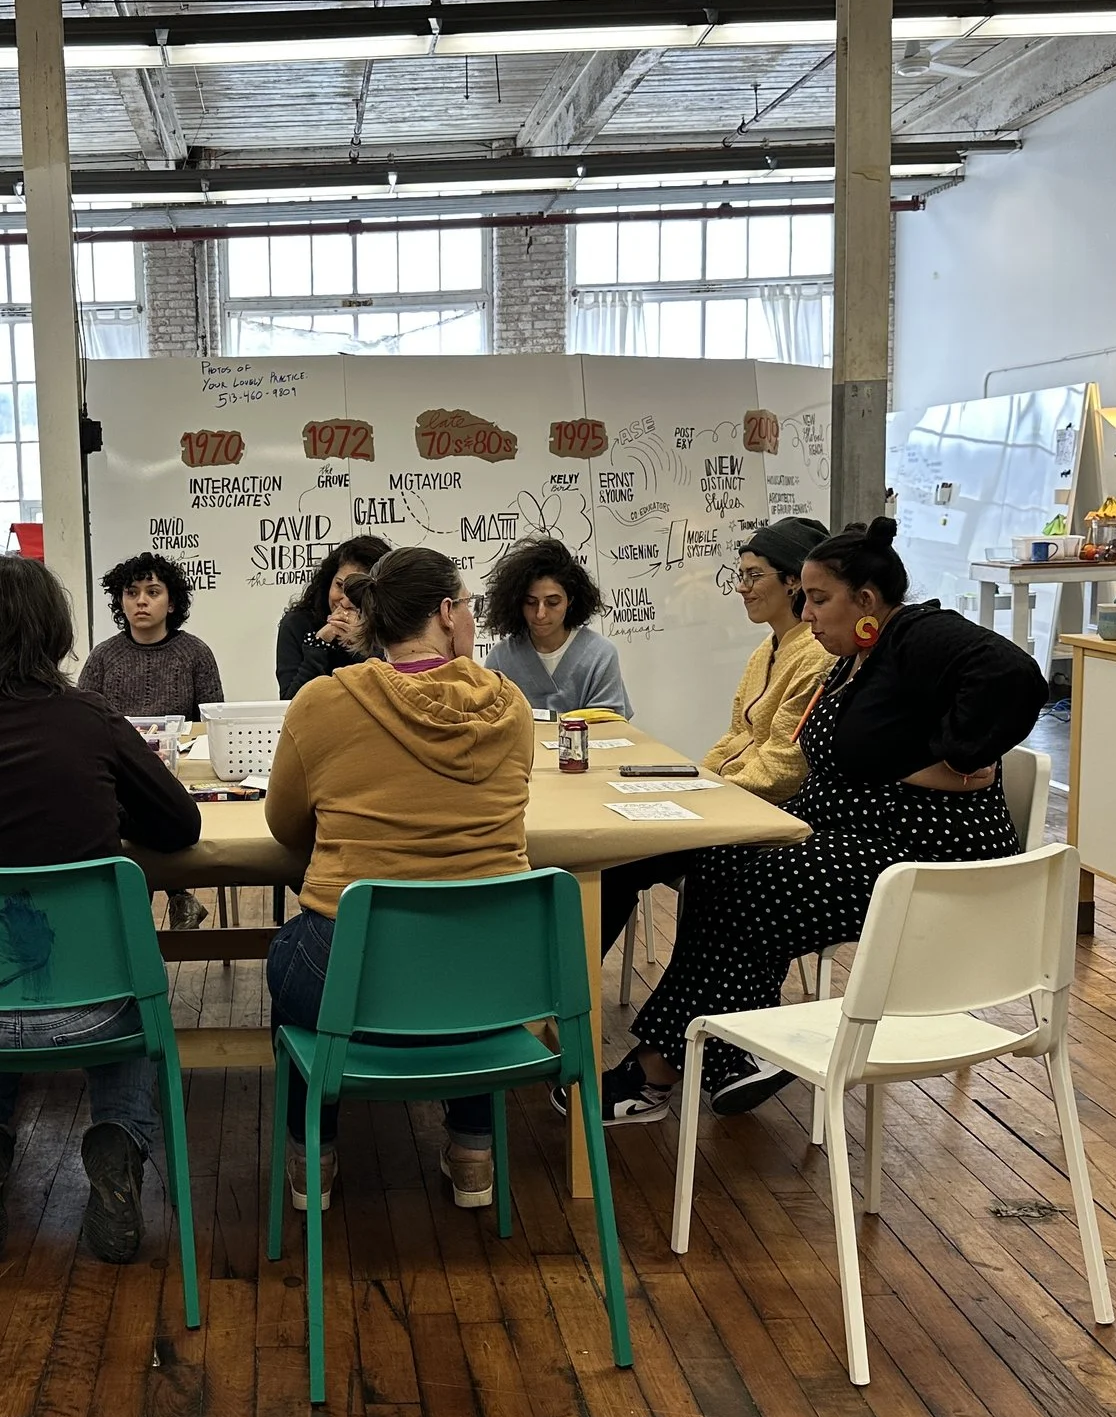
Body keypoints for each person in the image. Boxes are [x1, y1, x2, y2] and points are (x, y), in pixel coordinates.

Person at [586, 517, 1046, 1125]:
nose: (807, 614)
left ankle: (660, 1067)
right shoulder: (853, 658)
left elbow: (1014, 675)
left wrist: (955, 756)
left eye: (820, 599)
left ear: (867, 601)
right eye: (805, 599)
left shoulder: (914, 633)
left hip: (923, 857)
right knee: (720, 864)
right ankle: (727, 1053)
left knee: (754, 888)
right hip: (856, 836)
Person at [0, 554, 203, 1270]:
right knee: (117, 970)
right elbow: (180, 827)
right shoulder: (91, 719)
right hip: (100, 1011)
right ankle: (118, 1142)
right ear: (53, 634)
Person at [265, 545, 534, 1213]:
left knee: (288, 955)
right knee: (464, 942)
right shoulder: (511, 706)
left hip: (352, 968)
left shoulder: (322, 702)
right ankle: (473, 1152)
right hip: (492, 973)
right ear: (445, 613)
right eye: (468, 604)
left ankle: (313, 1157)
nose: (470, 616)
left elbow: (285, 825)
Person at [595, 516, 831, 953]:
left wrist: (708, 795)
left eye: (754, 576)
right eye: (741, 576)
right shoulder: (766, 650)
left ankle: (574, 984)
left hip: (764, 817)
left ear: (793, 581)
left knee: (621, 861)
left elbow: (784, 768)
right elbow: (735, 735)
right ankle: (575, 981)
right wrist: (696, 783)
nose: (742, 588)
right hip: (729, 804)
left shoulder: (817, 656)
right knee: (614, 853)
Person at [77, 551, 227, 933]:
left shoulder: (195, 653)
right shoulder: (103, 657)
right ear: (120, 601)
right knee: (123, 811)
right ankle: (176, 896)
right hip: (118, 777)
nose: (141, 601)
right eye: (131, 592)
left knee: (149, 812)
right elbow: (83, 723)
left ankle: (142, 921)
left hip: (181, 774)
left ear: (171, 603)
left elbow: (212, 723)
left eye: (152, 592)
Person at [477, 537, 630, 715]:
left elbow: (609, 723)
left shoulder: (600, 655)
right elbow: (489, 721)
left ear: (570, 600)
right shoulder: (501, 657)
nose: (540, 614)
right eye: (530, 602)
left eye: (553, 602)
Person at [275, 534, 391, 697]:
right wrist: (319, 644)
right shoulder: (297, 623)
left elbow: (394, 693)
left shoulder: (392, 624)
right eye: (339, 585)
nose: (346, 602)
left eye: (360, 592)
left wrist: (360, 643)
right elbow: (291, 701)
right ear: (329, 580)